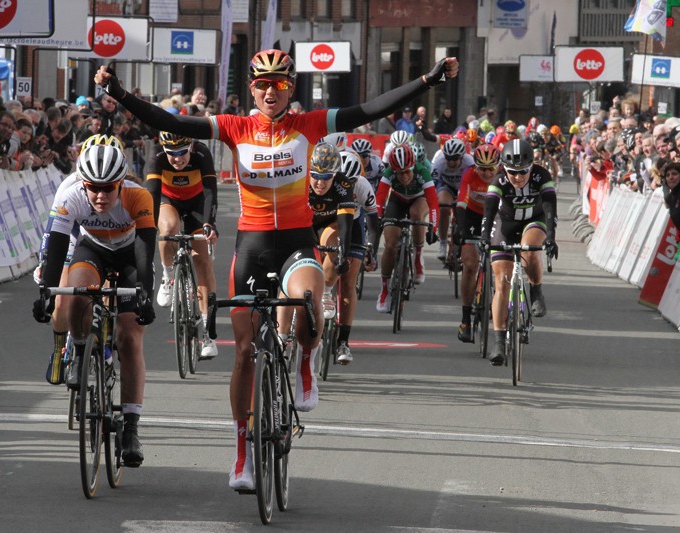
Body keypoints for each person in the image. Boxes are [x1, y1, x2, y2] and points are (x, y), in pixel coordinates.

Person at [95, 50, 459, 490]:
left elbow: (370, 109)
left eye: (280, 84)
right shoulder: (236, 127)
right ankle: (242, 456)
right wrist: (118, 93)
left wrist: (427, 79)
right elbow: (170, 122)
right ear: (252, 88)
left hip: (294, 242)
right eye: (262, 85)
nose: (270, 92)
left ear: (290, 88)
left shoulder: (309, 125)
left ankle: (305, 361)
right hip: (251, 248)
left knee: (308, 301)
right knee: (245, 353)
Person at [33, 143, 156, 467]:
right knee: (77, 292)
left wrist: (144, 292)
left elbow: (145, 252)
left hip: (131, 254)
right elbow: (57, 245)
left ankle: (130, 427)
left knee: (130, 339)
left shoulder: (138, 196)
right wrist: (46, 291)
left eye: (107, 189)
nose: (100, 196)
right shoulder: (70, 194)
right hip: (93, 249)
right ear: (82, 184)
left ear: (120, 183)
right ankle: (81, 350)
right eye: (93, 189)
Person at [480, 139, 557, 366]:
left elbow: (550, 206)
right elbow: (489, 209)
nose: (517, 177)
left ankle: (536, 291)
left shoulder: (541, 176)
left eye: (522, 171)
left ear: (531, 166)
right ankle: (499, 342)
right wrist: (484, 238)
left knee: (530, 251)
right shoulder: (499, 179)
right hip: (505, 224)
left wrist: (551, 237)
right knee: (501, 281)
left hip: (534, 220)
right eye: (512, 172)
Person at [146, 131, 219, 358]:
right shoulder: (156, 155)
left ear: (190, 147)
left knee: (203, 264)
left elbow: (210, 192)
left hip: (197, 204)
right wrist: (148, 226)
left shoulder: (201, 153)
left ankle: (208, 333)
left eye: (181, 153)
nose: (177, 159)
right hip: (169, 201)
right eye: (172, 154)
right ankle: (168, 276)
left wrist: (209, 224)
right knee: (167, 229)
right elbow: (152, 194)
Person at [374, 143, 439, 312]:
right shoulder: (388, 173)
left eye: (407, 172)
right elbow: (379, 199)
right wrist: (377, 219)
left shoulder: (422, 172)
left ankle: (418, 255)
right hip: (397, 200)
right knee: (390, 245)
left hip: (419, 199)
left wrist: (433, 227)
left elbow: (433, 204)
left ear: (413, 167)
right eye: (399, 173)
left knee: (416, 213)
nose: (403, 176)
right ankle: (385, 289)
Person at [453, 143, 501, 342]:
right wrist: (461, 230)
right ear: (475, 165)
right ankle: (465, 319)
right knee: (470, 265)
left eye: (491, 168)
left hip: (497, 216)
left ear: (498, 166)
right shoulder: (469, 175)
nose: (487, 172)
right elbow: (461, 204)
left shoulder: (503, 177)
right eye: (482, 168)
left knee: (501, 263)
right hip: (472, 216)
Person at [336, 149, 380, 363]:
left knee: (348, 282)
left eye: (351, 182)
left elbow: (373, 222)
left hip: (353, 226)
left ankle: (343, 340)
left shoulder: (363, 185)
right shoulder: (322, 180)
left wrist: (371, 248)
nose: (348, 187)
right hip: (329, 222)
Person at [307, 142, 355, 325]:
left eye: (326, 177)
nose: (320, 182)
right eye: (315, 176)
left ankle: (326, 291)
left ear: (334, 175)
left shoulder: (343, 185)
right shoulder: (301, 179)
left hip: (329, 223)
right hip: (303, 222)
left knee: (336, 245)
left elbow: (345, 226)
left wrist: (343, 255)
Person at [430, 137, 475, 261]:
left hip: (465, 187)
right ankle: (443, 243)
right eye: (448, 158)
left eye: (454, 159)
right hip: (447, 187)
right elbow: (431, 186)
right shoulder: (439, 162)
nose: (450, 162)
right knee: (443, 207)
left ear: (461, 157)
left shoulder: (469, 161)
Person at [661, 162, 680, 260]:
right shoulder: (673, 195)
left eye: (674, 174)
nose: (671, 177)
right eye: (668, 175)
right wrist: (678, 241)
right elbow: (678, 222)